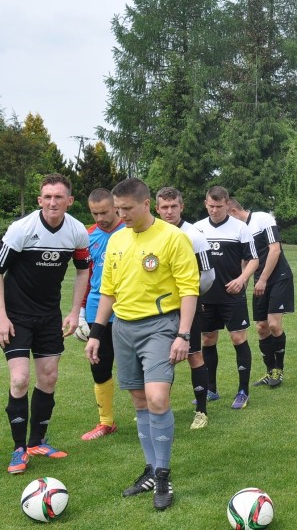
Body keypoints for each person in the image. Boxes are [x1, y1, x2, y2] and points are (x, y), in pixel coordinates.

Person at [84, 177, 198, 510]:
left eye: (127, 209)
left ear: (146, 204)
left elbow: (190, 289)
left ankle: (163, 474)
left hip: (161, 327)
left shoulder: (173, 238)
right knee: (138, 400)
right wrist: (96, 333)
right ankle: (150, 469)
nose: (121, 215)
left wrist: (183, 334)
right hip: (123, 328)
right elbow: (108, 291)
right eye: (117, 209)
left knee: (158, 397)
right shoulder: (116, 240)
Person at [1, 174, 89, 474]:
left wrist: (75, 311)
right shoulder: (21, 230)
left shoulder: (77, 232)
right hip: (15, 316)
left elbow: (81, 272)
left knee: (49, 378)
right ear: (40, 200)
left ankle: (37, 441)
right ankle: (18, 449)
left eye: (58, 197)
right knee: (19, 380)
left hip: (49, 314)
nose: (52, 202)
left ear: (69, 201)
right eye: (47, 196)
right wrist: (1, 317)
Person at [155, 187, 216, 429]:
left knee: (193, 355)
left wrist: (188, 297)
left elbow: (209, 275)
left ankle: (201, 411)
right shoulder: (152, 234)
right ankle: (158, 408)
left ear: (182, 207)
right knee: (158, 358)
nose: (169, 212)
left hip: (187, 307)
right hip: (158, 309)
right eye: (164, 207)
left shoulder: (195, 235)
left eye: (173, 207)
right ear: (156, 208)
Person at [194, 186, 258, 409]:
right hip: (206, 296)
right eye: (210, 206)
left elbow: (253, 260)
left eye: (219, 207)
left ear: (228, 205)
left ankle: (243, 391)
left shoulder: (240, 228)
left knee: (238, 339)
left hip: (232, 295)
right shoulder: (197, 229)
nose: (214, 210)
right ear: (205, 204)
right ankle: (211, 389)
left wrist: (241, 279)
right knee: (207, 340)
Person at [228, 199, 295, 383]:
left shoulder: (263, 219)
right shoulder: (239, 231)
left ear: (233, 211)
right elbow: (245, 260)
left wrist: (263, 279)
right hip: (260, 281)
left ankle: (278, 370)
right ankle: (269, 371)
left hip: (279, 277)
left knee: (274, 324)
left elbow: (275, 250)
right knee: (261, 327)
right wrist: (243, 284)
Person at [80, 188, 125, 440]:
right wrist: (81, 311)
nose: (100, 218)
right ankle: (105, 422)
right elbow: (85, 275)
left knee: (138, 364)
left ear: (116, 208)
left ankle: (148, 411)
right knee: (99, 363)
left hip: (128, 308)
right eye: (95, 213)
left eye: (104, 212)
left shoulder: (130, 231)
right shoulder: (89, 236)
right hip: (98, 310)